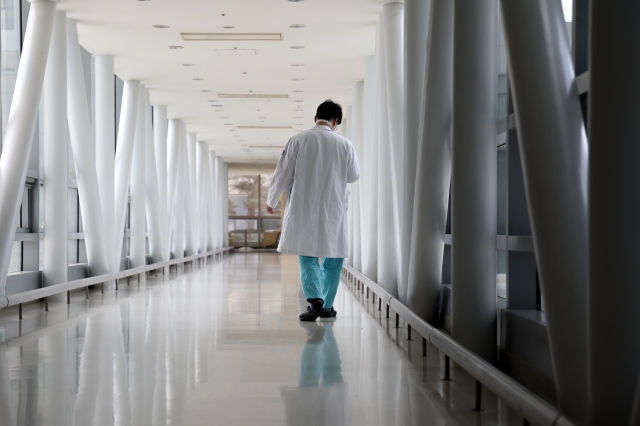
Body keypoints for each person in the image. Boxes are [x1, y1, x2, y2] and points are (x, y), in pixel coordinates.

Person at [266, 100, 360, 321]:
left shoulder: (298, 140)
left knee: (308, 255)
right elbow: (353, 176)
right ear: (336, 121)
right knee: (334, 257)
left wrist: (271, 199)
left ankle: (315, 299)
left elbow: (283, 172)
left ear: (315, 117)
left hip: (303, 205)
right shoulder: (345, 144)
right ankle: (326, 306)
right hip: (333, 208)